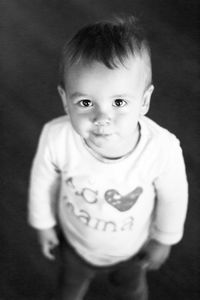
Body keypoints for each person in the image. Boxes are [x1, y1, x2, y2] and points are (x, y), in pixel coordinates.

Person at [28, 15, 188, 300]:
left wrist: (165, 239)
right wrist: (43, 223)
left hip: (131, 249)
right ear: (66, 101)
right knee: (69, 289)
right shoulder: (56, 137)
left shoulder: (161, 149)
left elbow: (174, 197)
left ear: (144, 101)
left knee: (132, 290)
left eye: (119, 102)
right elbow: (41, 182)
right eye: (86, 102)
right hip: (74, 243)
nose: (102, 117)